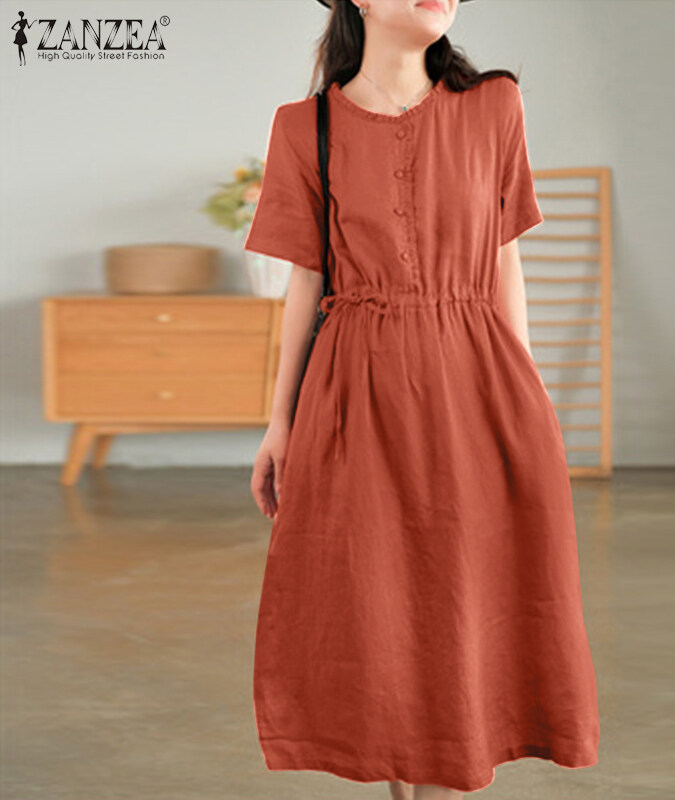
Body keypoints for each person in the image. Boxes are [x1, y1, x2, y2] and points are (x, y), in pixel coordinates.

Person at [246, 1, 600, 797]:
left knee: (463, 600)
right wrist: (279, 422)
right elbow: (305, 279)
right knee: (377, 607)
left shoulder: (495, 104)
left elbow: (504, 260)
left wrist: (525, 395)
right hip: (356, 390)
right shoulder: (304, 127)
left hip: (476, 380)